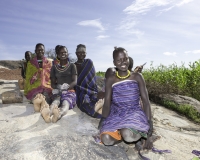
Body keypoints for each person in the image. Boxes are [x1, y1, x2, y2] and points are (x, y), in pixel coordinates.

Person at [98, 47, 153, 152]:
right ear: (114, 62)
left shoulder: (137, 77)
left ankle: (139, 134)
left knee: (127, 134)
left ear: (129, 59)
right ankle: (123, 137)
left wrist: (150, 125)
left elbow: (146, 102)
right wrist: (103, 120)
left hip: (134, 112)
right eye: (119, 60)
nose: (123, 62)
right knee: (106, 139)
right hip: (117, 113)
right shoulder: (110, 80)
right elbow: (107, 103)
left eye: (125, 59)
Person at [24, 43, 53, 122]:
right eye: (38, 50)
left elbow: (51, 76)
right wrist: (35, 75)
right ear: (35, 51)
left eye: (42, 50)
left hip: (46, 87)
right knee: (38, 96)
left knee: (45, 96)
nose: (40, 51)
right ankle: (44, 107)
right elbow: (28, 78)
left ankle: (39, 106)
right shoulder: (30, 63)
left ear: (44, 51)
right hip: (35, 87)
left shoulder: (49, 62)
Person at [49, 45, 77, 123]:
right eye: (61, 53)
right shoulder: (54, 68)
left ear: (68, 54)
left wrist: (67, 88)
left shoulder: (72, 66)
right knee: (55, 102)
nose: (63, 54)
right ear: (58, 55)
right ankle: (47, 115)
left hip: (69, 91)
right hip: (58, 91)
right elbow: (52, 83)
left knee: (65, 103)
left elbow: (75, 81)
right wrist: (57, 88)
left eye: (65, 52)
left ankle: (58, 115)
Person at [74, 44, 101, 118]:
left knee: (97, 99)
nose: (82, 54)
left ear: (86, 53)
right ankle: (97, 112)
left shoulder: (89, 63)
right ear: (76, 53)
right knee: (85, 101)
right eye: (79, 52)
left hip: (92, 90)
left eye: (84, 52)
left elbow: (93, 79)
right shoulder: (73, 65)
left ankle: (101, 108)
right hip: (79, 91)